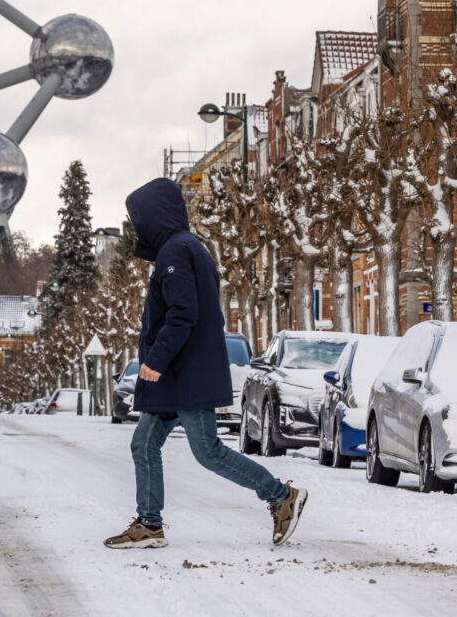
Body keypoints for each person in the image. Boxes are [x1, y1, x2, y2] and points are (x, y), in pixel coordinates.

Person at [104, 178, 307, 549]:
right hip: (178, 375)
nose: (138, 228)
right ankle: (149, 524)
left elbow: (183, 314)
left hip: (183, 376)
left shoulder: (176, 252)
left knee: (208, 451)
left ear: (154, 216)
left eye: (139, 219)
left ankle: (280, 496)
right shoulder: (182, 248)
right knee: (144, 444)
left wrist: (156, 361)